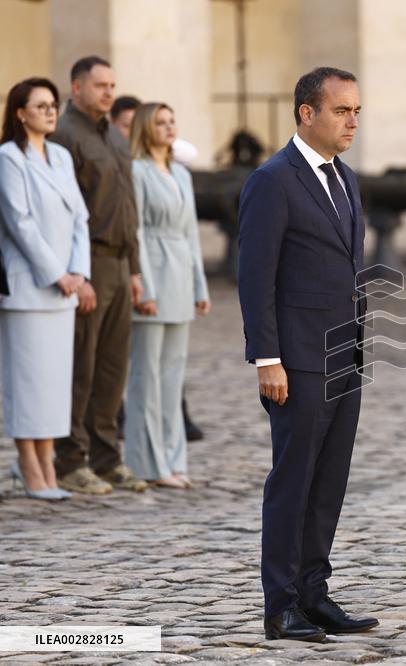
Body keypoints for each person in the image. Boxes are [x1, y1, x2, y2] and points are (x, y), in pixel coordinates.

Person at [237, 67, 378, 641]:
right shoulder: (273, 180)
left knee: (328, 483)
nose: (352, 122)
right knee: (293, 482)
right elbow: (256, 276)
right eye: (342, 111)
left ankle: (315, 594)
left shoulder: (346, 178)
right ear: (306, 112)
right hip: (296, 360)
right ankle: (281, 605)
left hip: (345, 353)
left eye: (356, 112)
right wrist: (266, 358)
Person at [50, 55, 148, 495]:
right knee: (80, 367)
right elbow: (62, 213)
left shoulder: (114, 136)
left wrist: (135, 269)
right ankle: (71, 461)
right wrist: (77, 272)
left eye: (112, 85)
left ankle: (107, 459)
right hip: (87, 262)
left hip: (120, 264)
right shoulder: (64, 135)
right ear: (77, 88)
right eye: (100, 85)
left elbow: (128, 208)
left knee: (111, 369)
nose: (109, 92)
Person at [0, 78, 90, 501]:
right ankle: (28, 464)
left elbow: (80, 219)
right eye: (41, 106)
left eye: (53, 104)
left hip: (64, 289)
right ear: (20, 113)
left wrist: (78, 272)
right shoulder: (8, 157)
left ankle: (48, 463)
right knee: (28, 382)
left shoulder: (60, 156)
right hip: (28, 287)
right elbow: (20, 223)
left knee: (54, 383)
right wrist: (57, 273)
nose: (51, 111)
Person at [124, 102, 210, 489]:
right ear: (146, 127)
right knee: (147, 377)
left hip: (179, 274)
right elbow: (136, 231)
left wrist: (199, 286)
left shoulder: (180, 173)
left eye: (172, 121)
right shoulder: (137, 171)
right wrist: (145, 286)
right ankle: (147, 463)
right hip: (153, 277)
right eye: (160, 122)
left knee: (173, 378)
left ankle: (174, 460)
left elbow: (190, 233)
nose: (168, 127)